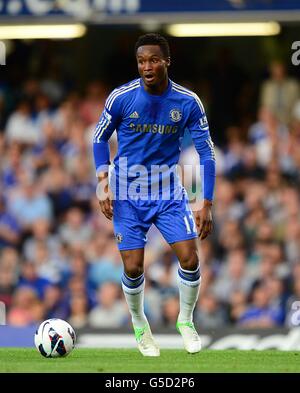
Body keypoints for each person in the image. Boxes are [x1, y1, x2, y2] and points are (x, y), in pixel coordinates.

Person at [93, 33, 216, 356]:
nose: (146, 66)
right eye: (141, 61)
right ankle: (139, 323)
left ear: (166, 62)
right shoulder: (121, 97)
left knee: (190, 258)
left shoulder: (187, 101)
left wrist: (206, 201)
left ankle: (186, 321)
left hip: (168, 190)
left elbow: (206, 154)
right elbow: (98, 138)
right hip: (127, 192)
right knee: (133, 268)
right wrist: (102, 182)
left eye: (153, 60)